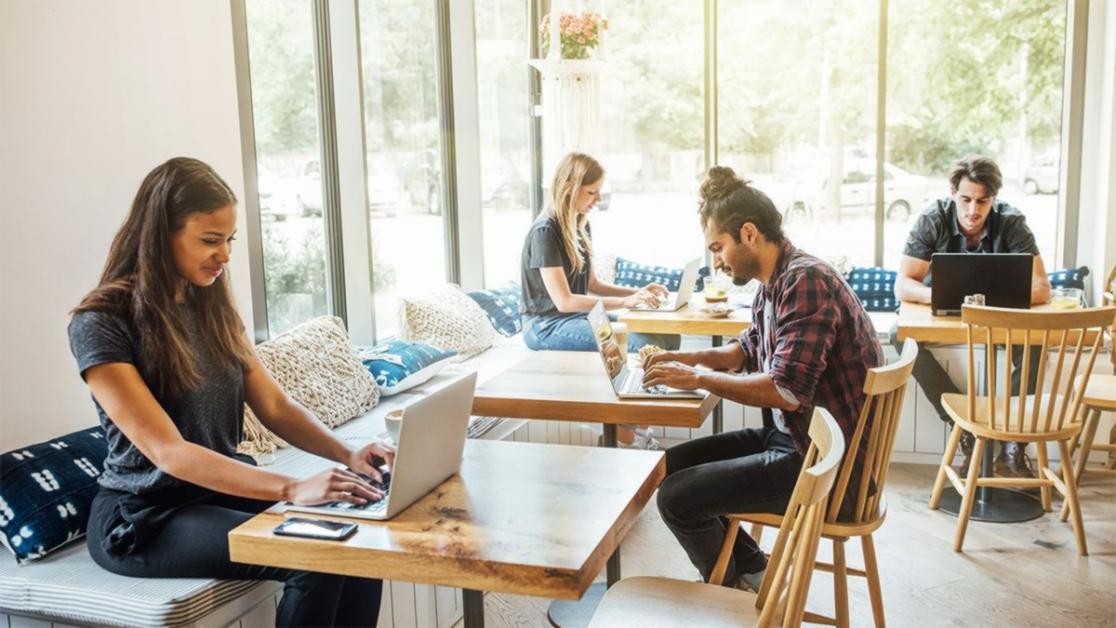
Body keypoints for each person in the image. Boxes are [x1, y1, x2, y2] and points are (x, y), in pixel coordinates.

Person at [68, 157, 387, 627]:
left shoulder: (211, 307)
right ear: (160, 236)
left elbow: (275, 406)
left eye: (229, 239)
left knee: (360, 538)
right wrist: (294, 487)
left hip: (215, 491)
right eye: (210, 240)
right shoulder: (100, 322)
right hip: (145, 516)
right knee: (312, 555)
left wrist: (350, 455)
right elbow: (169, 452)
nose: (225, 255)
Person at [642, 166, 883, 591]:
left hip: (828, 470)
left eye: (718, 247)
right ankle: (752, 570)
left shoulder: (806, 282)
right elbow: (745, 351)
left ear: (748, 234)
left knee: (678, 498)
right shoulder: (776, 281)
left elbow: (786, 391)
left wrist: (696, 378)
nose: (716, 261)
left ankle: (733, 592)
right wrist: (682, 358)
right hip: (799, 441)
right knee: (668, 467)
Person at [893, 155, 1050, 478]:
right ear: (953, 194)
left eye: (983, 201)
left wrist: (983, 303)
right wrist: (945, 298)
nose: (973, 211)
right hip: (944, 315)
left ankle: (1013, 445)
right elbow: (903, 285)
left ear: (994, 198)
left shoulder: (1011, 222)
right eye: (965, 199)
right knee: (900, 335)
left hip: (998, 319)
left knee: (1035, 343)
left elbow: (1042, 288)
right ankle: (961, 426)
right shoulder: (932, 219)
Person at [520, 152, 680, 448]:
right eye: (591, 192)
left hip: (577, 317)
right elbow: (564, 301)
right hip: (545, 325)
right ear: (570, 187)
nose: (597, 199)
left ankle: (636, 430)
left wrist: (636, 292)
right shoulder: (545, 232)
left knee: (662, 338)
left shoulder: (581, 224)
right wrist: (627, 303)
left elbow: (592, 284)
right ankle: (630, 437)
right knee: (636, 344)